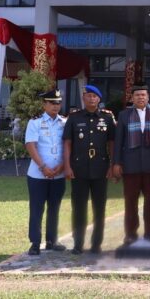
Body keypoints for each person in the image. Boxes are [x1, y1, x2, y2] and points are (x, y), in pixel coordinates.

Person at [63, 84, 116, 255]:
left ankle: (96, 244)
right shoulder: (74, 117)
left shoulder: (107, 118)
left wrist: (111, 165)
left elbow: (112, 144)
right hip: (78, 169)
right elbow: (67, 143)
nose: (91, 99)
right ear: (84, 98)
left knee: (99, 207)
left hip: (101, 169)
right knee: (78, 207)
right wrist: (67, 166)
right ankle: (78, 244)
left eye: (95, 96)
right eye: (88, 96)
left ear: (99, 99)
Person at [112, 83, 150, 244]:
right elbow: (118, 141)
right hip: (130, 166)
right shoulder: (124, 115)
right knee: (131, 202)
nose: (140, 97)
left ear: (148, 97)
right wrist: (117, 163)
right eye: (137, 95)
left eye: (143, 95)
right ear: (132, 98)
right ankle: (131, 233)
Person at [25, 89, 67, 256]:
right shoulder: (34, 123)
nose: (56, 106)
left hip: (59, 173)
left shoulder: (65, 122)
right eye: (52, 103)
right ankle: (35, 243)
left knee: (54, 207)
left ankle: (52, 240)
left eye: (58, 103)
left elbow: (68, 146)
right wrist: (43, 167)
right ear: (44, 104)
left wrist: (62, 166)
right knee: (37, 208)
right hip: (38, 174)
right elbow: (31, 145)